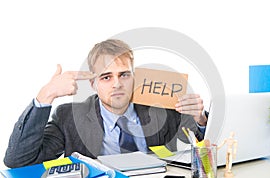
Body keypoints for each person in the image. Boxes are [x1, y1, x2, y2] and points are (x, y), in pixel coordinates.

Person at [4, 39, 208, 168]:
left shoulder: (160, 108)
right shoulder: (68, 117)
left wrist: (200, 119)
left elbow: (202, 150)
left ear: (134, 78)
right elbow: (18, 160)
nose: (117, 84)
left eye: (124, 75)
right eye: (106, 77)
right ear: (93, 84)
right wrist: (45, 96)